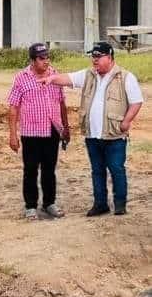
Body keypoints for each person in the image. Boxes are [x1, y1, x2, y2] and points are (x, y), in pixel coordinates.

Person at [39, 42, 144, 216]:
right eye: (93, 57)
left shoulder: (125, 77)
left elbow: (136, 101)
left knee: (117, 169)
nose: (94, 60)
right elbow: (68, 78)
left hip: (114, 134)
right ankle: (100, 204)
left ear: (109, 58)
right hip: (92, 134)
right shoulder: (89, 75)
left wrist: (126, 122)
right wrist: (51, 79)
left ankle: (120, 204)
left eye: (98, 57)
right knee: (97, 170)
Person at [7, 43, 70, 221]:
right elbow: (13, 108)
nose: (46, 61)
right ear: (33, 60)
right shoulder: (21, 78)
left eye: (47, 57)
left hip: (52, 129)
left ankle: (49, 203)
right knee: (31, 170)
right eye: (42, 58)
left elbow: (62, 103)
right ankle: (31, 206)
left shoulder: (54, 75)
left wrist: (66, 127)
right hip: (31, 132)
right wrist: (12, 135)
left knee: (49, 169)